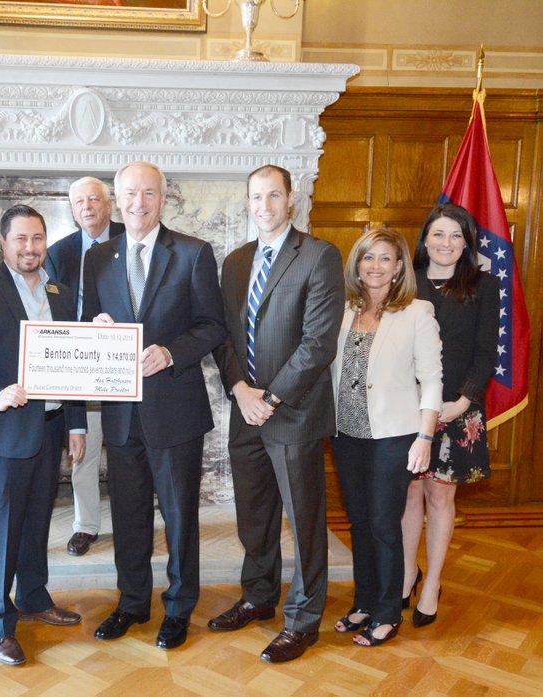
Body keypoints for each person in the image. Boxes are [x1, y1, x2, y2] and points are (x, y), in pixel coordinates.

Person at [81, 161, 226, 650]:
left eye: (148, 193)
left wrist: (170, 352)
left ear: (163, 199)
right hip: (121, 415)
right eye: (129, 194)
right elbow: (86, 322)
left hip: (176, 411)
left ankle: (180, 608)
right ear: (115, 200)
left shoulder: (192, 253)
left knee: (181, 516)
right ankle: (132, 603)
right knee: (128, 514)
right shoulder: (98, 258)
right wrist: (97, 328)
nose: (138, 203)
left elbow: (212, 326)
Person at [210, 164, 345, 663]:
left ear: (290, 200)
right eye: (255, 197)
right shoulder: (235, 261)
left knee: (304, 520)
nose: (263, 205)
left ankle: (304, 619)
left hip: (293, 414)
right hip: (244, 409)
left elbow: (317, 344)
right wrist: (241, 390)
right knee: (255, 516)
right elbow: (222, 335)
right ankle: (258, 596)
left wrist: (270, 398)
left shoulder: (319, 256)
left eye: (272, 196)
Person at [0, 204, 86, 667]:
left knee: (35, 522)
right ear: (3, 244)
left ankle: (34, 597)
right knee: (2, 529)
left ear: (46, 242)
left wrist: (76, 423)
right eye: (20, 239)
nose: (30, 248)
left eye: (37, 239)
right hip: (0, 434)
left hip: (48, 430)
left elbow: (73, 366)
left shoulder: (60, 293)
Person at [330, 228, 442, 647]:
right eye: (367, 257)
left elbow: (432, 381)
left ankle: (387, 611)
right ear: (356, 265)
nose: (374, 266)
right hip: (346, 434)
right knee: (359, 521)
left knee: (383, 524)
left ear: (399, 268)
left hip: (394, 436)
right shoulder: (342, 310)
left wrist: (425, 437)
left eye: (384, 259)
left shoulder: (417, 312)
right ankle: (363, 602)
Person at [401, 204, 500, 627]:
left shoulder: (484, 285)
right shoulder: (406, 283)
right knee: (408, 495)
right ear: (424, 240)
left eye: (456, 236)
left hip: (459, 407)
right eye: (438, 235)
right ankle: (406, 575)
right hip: (407, 408)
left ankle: (432, 584)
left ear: (467, 243)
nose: (446, 243)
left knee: (441, 496)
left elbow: (485, 352)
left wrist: (462, 401)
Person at [45, 176, 124, 557]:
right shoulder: (58, 253)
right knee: (83, 447)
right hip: (80, 364)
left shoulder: (132, 238)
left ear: (110, 204)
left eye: (95, 199)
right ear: (73, 210)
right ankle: (86, 525)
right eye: (80, 202)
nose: (88, 206)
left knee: (131, 450)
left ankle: (132, 522)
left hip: (125, 362)